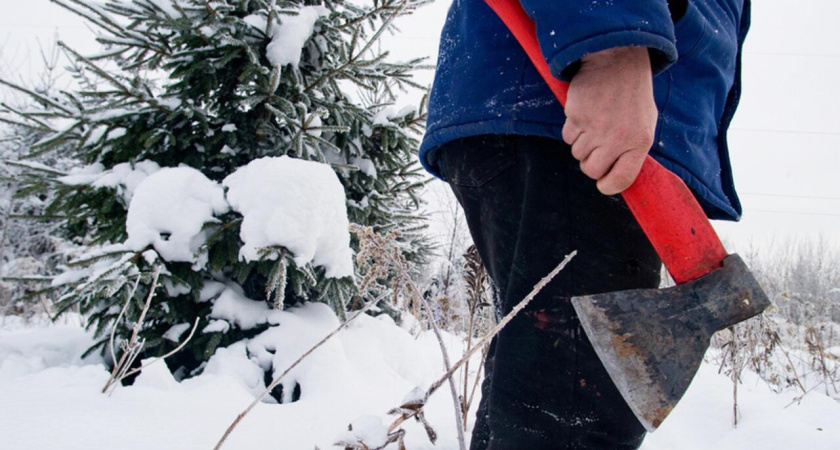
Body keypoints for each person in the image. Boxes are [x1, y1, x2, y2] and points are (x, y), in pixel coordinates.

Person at [418, 0, 751, 448]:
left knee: (543, 405)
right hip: (569, 110)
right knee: (571, 422)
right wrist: (613, 45)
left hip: (545, 108)